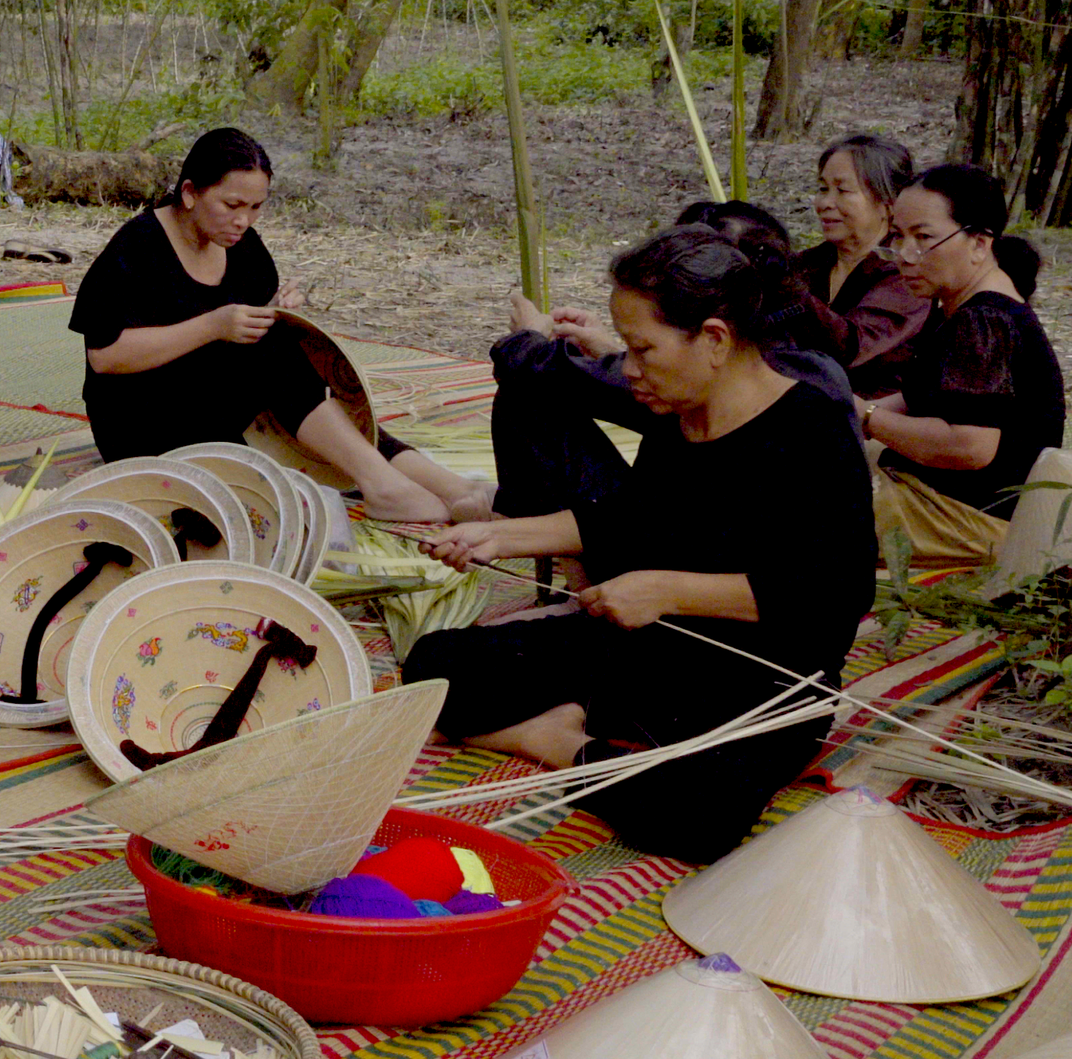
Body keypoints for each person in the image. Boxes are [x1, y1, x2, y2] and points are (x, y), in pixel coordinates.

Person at [404, 226, 877, 864]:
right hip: (653, 650)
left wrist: (667, 589)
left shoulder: (812, 431)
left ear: (713, 338)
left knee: (699, 816)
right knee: (437, 665)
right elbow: (637, 519)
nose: (626, 369)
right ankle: (604, 731)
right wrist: (501, 536)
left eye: (642, 349)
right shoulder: (678, 412)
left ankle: (559, 744)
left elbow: (834, 596)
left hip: (766, 680)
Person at [68, 126, 449, 520]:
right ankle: (380, 484)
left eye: (255, 207)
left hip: (218, 402)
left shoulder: (243, 248)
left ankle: (447, 486)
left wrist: (277, 310)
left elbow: (244, 327)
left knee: (313, 398)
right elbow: (106, 356)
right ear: (189, 193)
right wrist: (213, 326)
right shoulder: (137, 249)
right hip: (142, 422)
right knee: (268, 356)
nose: (243, 220)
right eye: (231, 205)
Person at [437, 200, 857, 522]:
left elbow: (818, 588)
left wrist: (529, 338)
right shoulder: (802, 363)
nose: (632, 368)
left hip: (706, 584)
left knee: (529, 389)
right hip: (675, 549)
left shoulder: (778, 399)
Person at [868, 162, 1066, 564]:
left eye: (923, 237)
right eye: (897, 237)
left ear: (979, 243)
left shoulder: (986, 320)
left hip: (967, 519)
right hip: (939, 503)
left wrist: (865, 415)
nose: (905, 256)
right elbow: (921, 399)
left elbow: (969, 447)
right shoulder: (957, 307)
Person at [795, 133, 932, 398]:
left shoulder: (906, 274)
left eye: (842, 191)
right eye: (823, 189)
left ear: (887, 204)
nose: (824, 204)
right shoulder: (807, 264)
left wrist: (785, 289)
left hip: (875, 427)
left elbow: (851, 347)